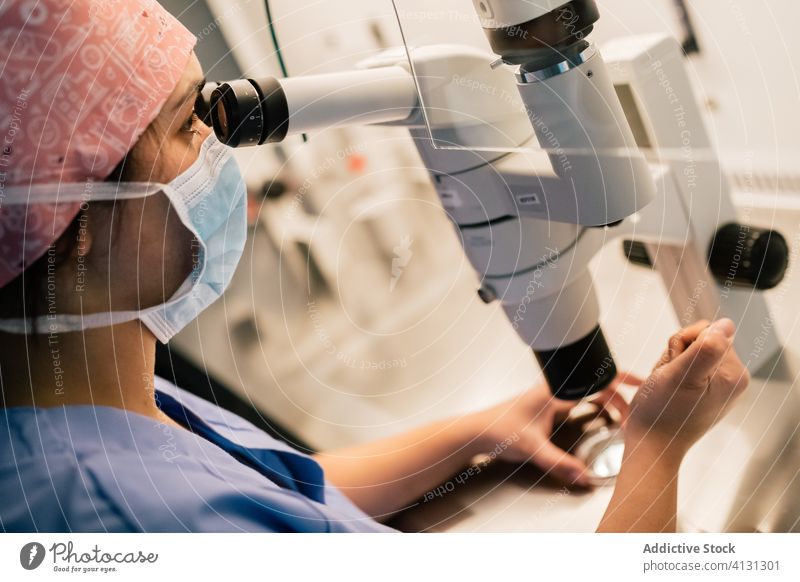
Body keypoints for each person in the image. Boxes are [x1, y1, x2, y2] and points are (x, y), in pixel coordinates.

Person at [0, 0, 749, 533]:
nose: (218, 145)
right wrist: (660, 447)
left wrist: (476, 433)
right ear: (71, 226)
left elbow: (274, 500)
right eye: (188, 122)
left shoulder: (79, 405)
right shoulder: (129, 514)